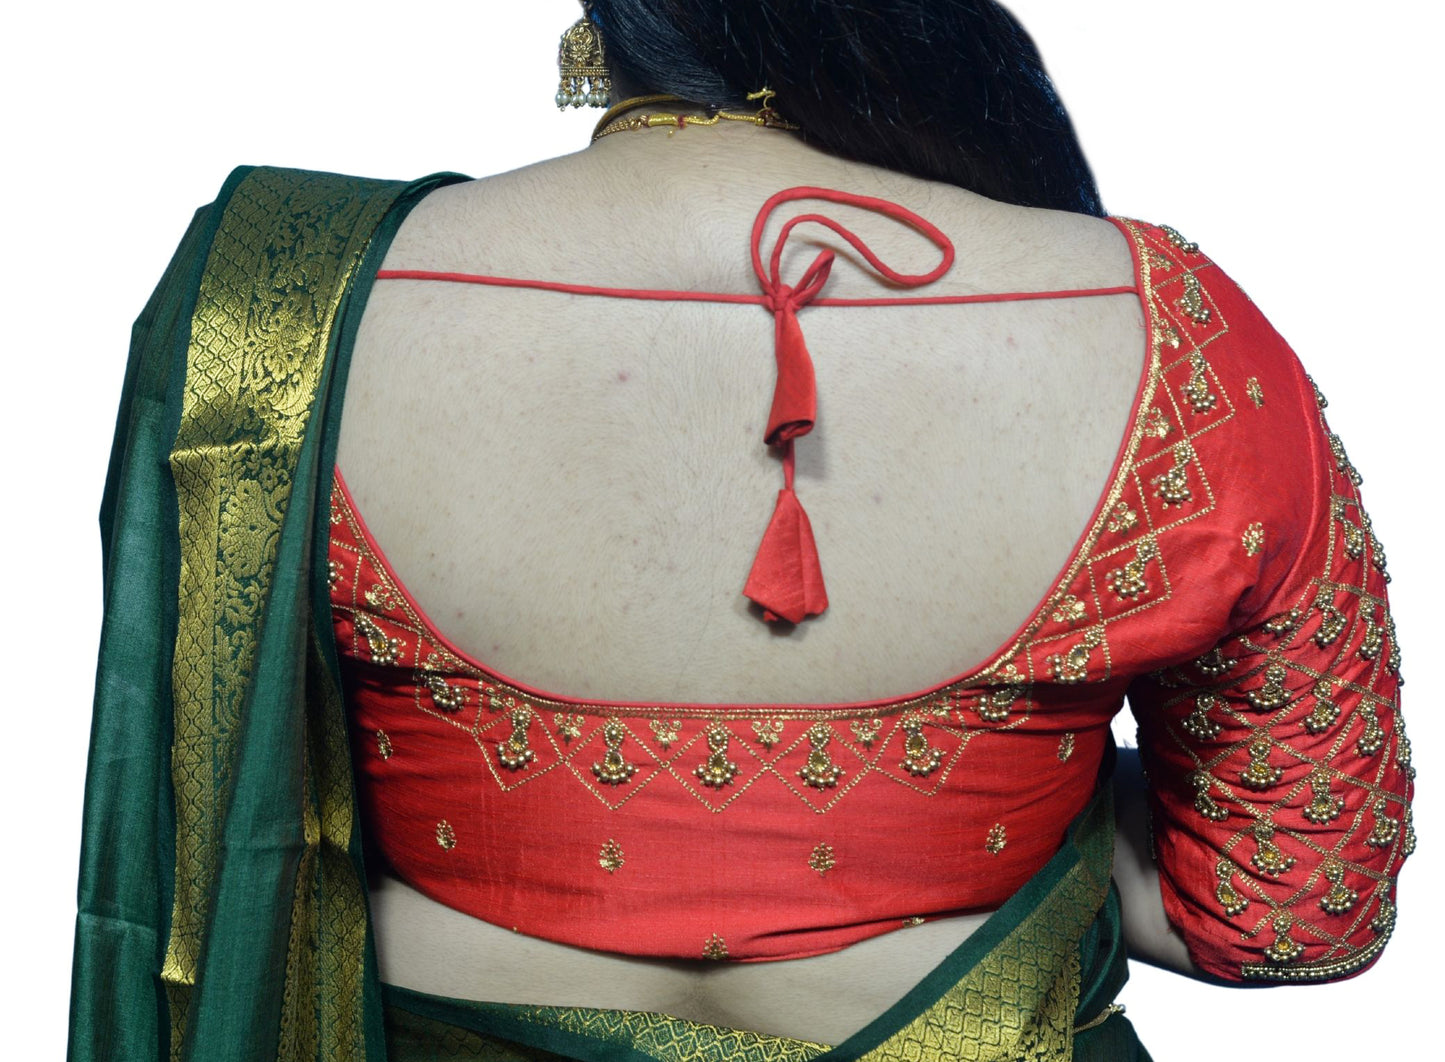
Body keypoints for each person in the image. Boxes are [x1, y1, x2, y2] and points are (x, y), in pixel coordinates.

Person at [65, 3, 1411, 1060]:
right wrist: (991, 801)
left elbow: (208, 795)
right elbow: (1297, 909)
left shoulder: (279, 311)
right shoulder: (1172, 335)